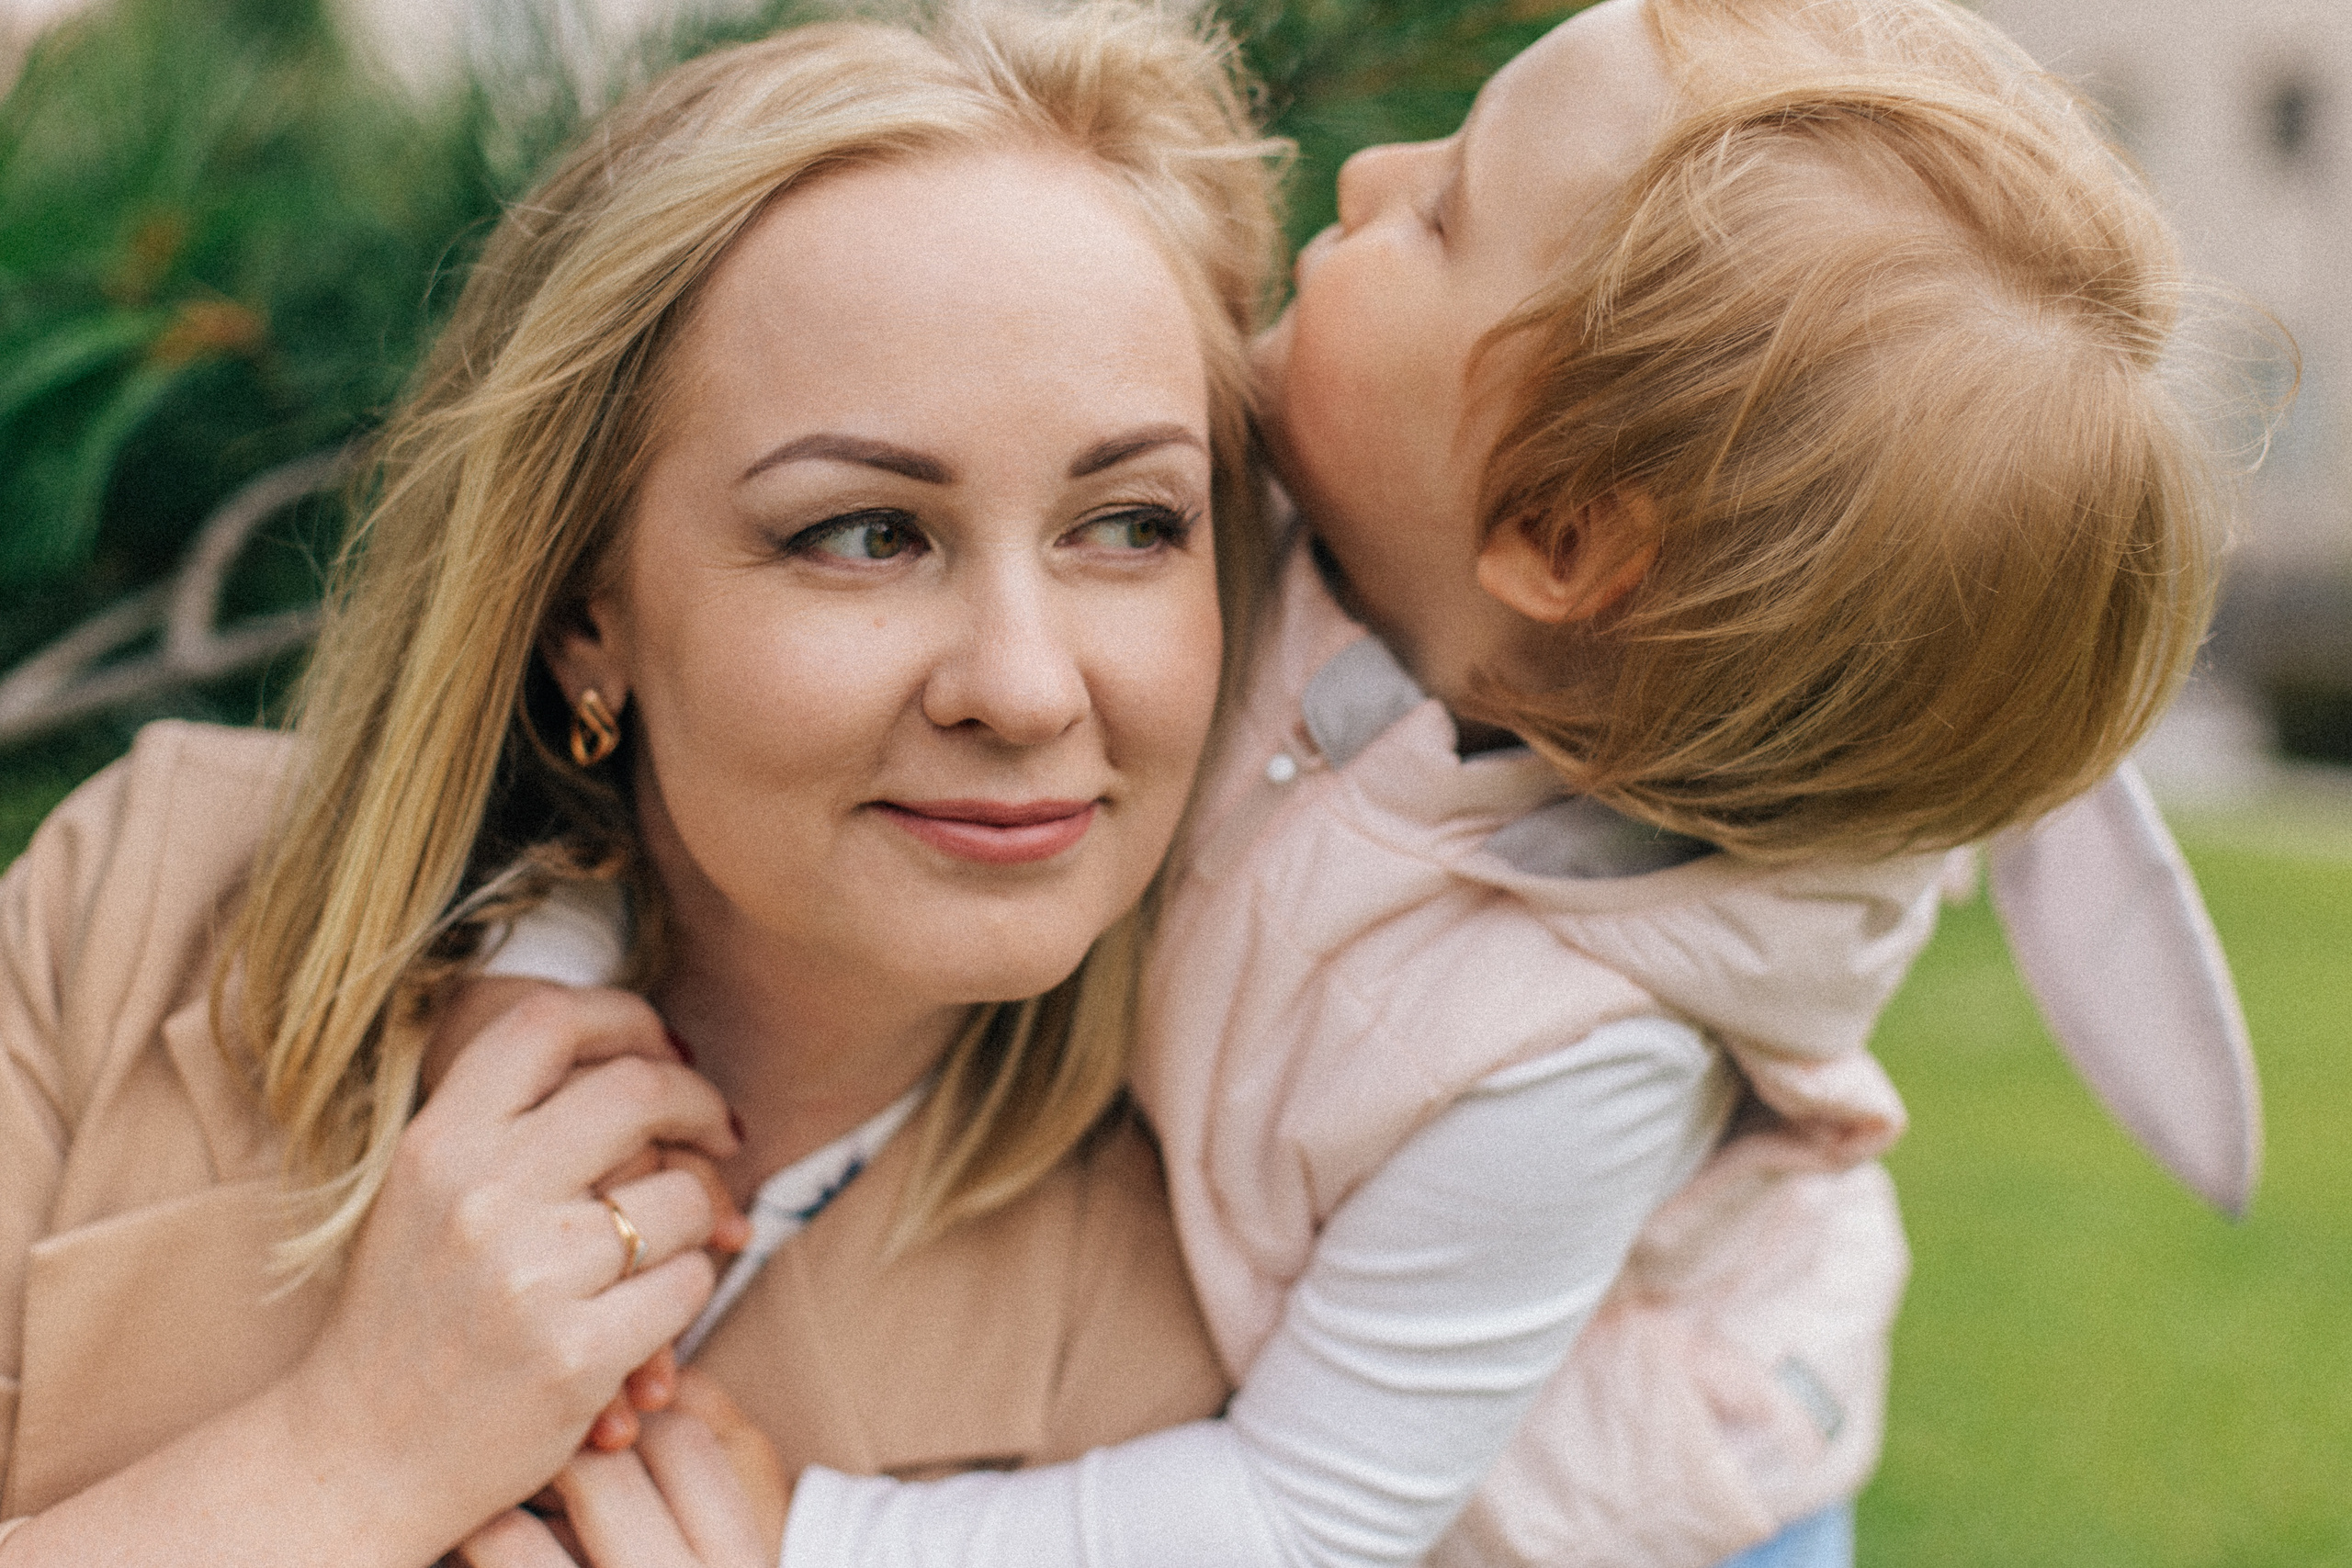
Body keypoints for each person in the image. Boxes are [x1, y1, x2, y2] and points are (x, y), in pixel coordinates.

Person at [469, 0, 2256, 1564]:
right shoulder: (1341, 527)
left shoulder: (1560, 1062)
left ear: (1554, 534)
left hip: (1617, 1520)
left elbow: (1302, 1518)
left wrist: (808, 1537)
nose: (1366, 170)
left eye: (1445, 209)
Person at [0, 6, 1288, 1562]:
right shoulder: (135, 910)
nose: (1023, 687)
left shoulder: (1222, 1339)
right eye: (866, 532)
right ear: (582, 610)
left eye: (1133, 523)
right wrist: (343, 1463)